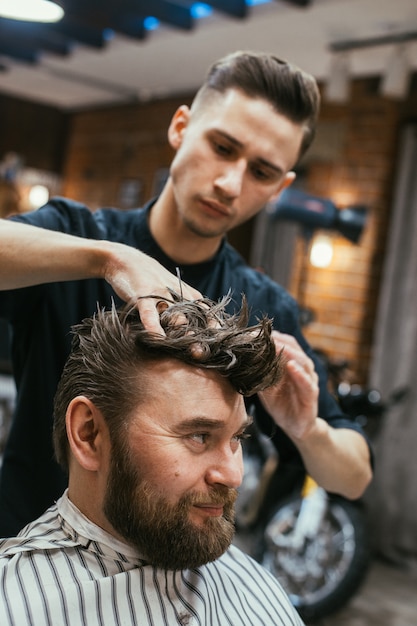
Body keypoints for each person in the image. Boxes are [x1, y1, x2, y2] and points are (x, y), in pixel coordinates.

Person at [0, 50, 372, 537]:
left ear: (279, 187)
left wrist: (308, 430)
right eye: (222, 147)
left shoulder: (261, 307)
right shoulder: (76, 236)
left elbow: (354, 476)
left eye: (260, 173)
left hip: (168, 583)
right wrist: (111, 259)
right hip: (29, 561)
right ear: (181, 127)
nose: (229, 183)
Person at [0, 296, 305, 626]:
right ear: (89, 435)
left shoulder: (257, 590)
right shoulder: (14, 605)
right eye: (199, 436)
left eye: (237, 438)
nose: (233, 475)